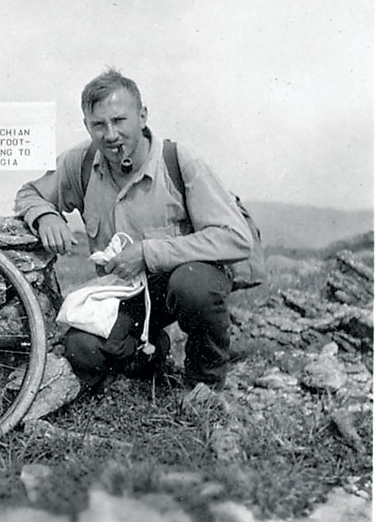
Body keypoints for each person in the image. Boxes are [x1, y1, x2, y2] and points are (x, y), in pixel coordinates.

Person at [14, 68, 252, 394]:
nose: (110, 134)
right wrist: (46, 216)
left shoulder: (179, 160)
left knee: (193, 286)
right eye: (99, 125)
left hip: (182, 280)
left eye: (119, 120)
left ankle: (204, 385)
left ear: (142, 116)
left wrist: (147, 253)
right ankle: (149, 355)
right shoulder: (80, 162)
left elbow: (236, 237)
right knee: (82, 349)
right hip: (125, 293)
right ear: (87, 126)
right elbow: (29, 193)